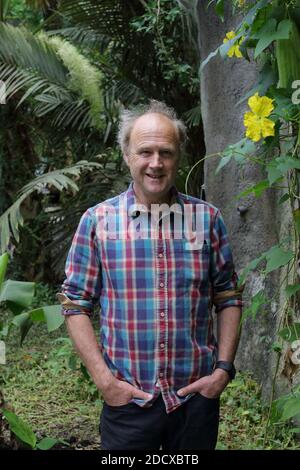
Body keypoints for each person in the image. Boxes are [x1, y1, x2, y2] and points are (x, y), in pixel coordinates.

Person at [57, 100, 243, 451]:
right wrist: (104, 381)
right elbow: (75, 305)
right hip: (128, 402)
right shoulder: (97, 222)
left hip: (194, 399)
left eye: (166, 152)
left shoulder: (207, 219)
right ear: (126, 154)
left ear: (179, 157)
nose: (155, 163)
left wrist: (222, 371)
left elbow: (228, 297)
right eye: (145, 151)